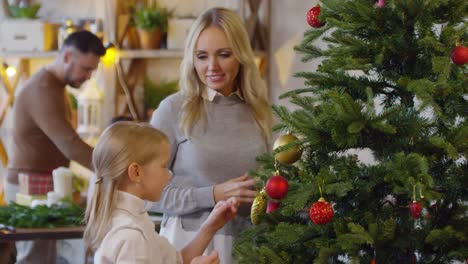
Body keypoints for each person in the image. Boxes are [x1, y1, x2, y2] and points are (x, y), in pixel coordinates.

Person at [150, 7, 273, 263]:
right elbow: (147, 194)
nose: (212, 66)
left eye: (224, 55)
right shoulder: (173, 109)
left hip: (253, 245)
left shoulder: (262, 111)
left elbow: (275, 184)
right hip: (192, 245)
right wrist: (213, 194)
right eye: (202, 56)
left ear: (241, 56)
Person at [4, 30, 105, 264]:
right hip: (28, 187)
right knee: (35, 260)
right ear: (67, 57)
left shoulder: (55, 86)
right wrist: (112, 166)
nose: (89, 76)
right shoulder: (43, 89)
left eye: (93, 70)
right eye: (86, 69)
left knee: (44, 259)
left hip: (40, 184)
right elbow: (69, 144)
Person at [84, 121, 239, 264]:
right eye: (164, 166)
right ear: (136, 172)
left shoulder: (137, 218)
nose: (169, 174)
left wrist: (210, 227)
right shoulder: (130, 235)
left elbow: (177, 260)